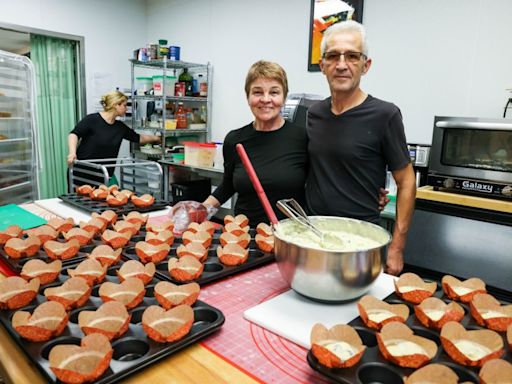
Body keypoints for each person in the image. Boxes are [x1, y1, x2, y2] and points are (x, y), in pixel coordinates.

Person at [305, 20, 416, 276]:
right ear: (322, 66)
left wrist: (397, 247)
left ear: (366, 66)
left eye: (352, 56)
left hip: (362, 243)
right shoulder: (314, 113)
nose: (341, 64)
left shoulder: (385, 115)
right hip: (314, 237)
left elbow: (407, 181)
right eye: (333, 56)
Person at [201, 60, 309, 225]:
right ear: (248, 96)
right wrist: (200, 210)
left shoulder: (303, 138)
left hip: (289, 236)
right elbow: (228, 185)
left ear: (284, 96)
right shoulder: (234, 140)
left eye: (274, 92)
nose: (266, 99)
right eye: (258, 92)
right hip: (244, 234)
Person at [67, 90, 160, 187]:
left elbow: (139, 138)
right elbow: (74, 134)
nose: (126, 109)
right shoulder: (92, 120)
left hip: (102, 175)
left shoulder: (120, 127)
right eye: (124, 105)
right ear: (116, 105)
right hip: (82, 173)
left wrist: (157, 138)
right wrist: (72, 153)